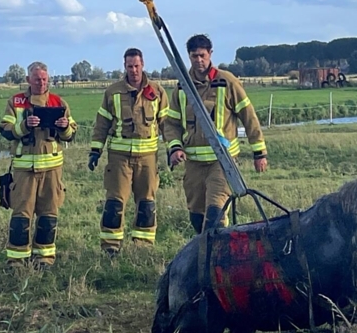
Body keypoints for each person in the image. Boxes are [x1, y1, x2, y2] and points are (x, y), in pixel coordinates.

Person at [165, 34, 268, 234]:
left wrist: (259, 153)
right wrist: (175, 148)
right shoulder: (182, 87)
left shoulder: (227, 81)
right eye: (194, 56)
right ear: (189, 56)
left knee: (215, 216)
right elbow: (172, 123)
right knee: (197, 218)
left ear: (210, 54)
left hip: (222, 162)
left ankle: (219, 253)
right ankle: (204, 251)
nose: (199, 60)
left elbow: (249, 117)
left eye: (202, 55)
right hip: (193, 165)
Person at [90, 48, 170, 254]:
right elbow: (102, 124)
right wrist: (95, 150)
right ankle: (110, 247)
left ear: (143, 64)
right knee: (114, 204)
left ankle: (143, 247)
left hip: (148, 159)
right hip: (119, 158)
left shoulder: (157, 92)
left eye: (136, 66)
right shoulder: (113, 92)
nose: (133, 70)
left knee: (146, 204)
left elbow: (167, 125)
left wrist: (173, 148)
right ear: (124, 66)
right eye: (129, 66)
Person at [0, 62, 77, 269]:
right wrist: (24, 126)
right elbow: (5, 129)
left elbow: (72, 133)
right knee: (21, 216)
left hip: (52, 170)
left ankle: (44, 259)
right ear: (28, 80)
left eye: (44, 79)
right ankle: (16, 260)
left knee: (48, 214)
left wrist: (65, 128)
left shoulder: (58, 102)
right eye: (37, 79)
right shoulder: (15, 102)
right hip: (24, 170)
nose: (41, 83)